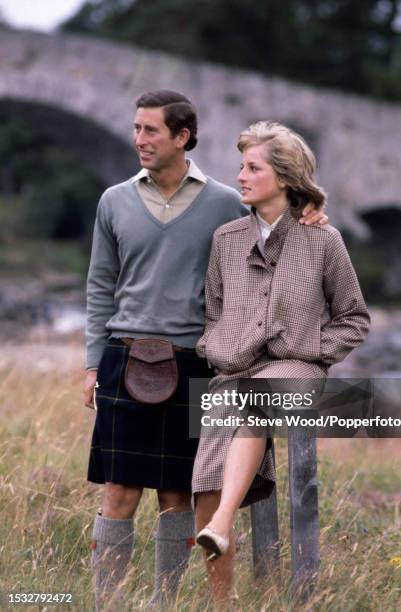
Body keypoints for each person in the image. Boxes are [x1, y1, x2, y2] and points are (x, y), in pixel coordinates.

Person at [83, 92, 327, 609]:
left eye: (151, 130)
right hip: (124, 355)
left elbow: (276, 207)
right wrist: (90, 363)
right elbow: (99, 286)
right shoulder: (114, 200)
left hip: (194, 362)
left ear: (182, 137)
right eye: (136, 129)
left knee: (176, 495)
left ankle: (163, 601)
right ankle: (106, 601)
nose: (139, 140)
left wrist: (315, 213)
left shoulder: (222, 200)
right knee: (118, 490)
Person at [192, 121, 370, 607]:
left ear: (285, 178)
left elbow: (354, 318)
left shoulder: (323, 240)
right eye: (241, 165)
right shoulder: (226, 240)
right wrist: (215, 343)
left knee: (251, 401)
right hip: (234, 372)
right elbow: (213, 310)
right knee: (205, 473)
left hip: (297, 370)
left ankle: (224, 522)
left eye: (254, 168)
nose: (241, 176)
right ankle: (220, 600)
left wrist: (315, 348)